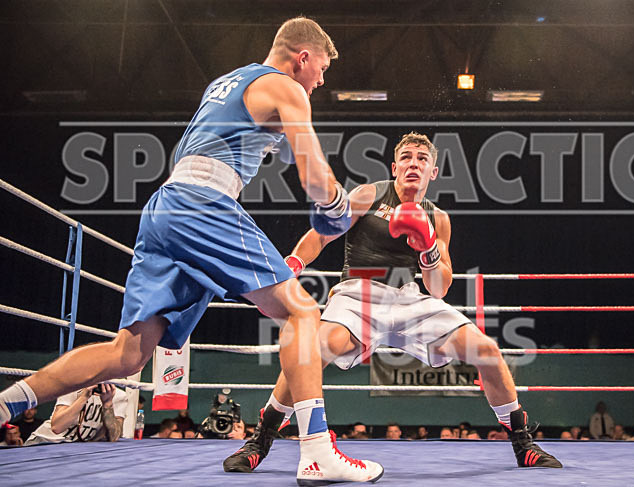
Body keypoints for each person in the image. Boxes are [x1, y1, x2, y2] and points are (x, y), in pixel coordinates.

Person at [0, 16, 382, 484]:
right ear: (302, 57)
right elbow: (313, 176)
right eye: (321, 68)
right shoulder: (287, 87)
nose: (321, 80)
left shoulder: (228, 82)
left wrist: (326, 190)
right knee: (303, 312)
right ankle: (319, 451)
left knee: (128, 354)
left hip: (166, 206)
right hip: (205, 203)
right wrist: (338, 204)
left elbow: (283, 152)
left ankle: (8, 402)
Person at [224, 132, 562, 472]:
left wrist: (428, 246)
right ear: (395, 165)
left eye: (422, 159)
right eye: (407, 157)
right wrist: (294, 263)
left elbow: (439, 287)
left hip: (410, 299)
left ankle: (523, 443)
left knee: (486, 351)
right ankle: (261, 439)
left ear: (433, 171)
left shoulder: (438, 218)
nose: (414, 163)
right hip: (358, 294)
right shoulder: (369, 194)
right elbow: (322, 233)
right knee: (312, 349)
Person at [24, 384, 126, 445]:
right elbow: (57, 427)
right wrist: (83, 397)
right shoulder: (72, 388)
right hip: (44, 442)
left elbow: (114, 436)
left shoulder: (119, 396)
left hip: (74, 450)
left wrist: (107, 404)